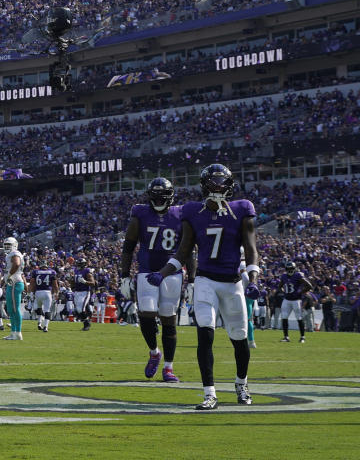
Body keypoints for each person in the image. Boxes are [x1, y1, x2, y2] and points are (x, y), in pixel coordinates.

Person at [150, 164, 259, 410]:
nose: (218, 186)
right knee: (205, 336)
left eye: (222, 182)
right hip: (205, 281)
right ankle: (209, 393)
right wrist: (163, 273)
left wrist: (253, 280)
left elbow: (251, 249)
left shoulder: (242, 209)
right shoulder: (192, 212)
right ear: (205, 185)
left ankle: (241, 384)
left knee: (240, 339)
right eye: (214, 182)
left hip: (232, 284)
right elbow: (183, 251)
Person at [120, 177, 184, 382]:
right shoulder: (140, 215)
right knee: (146, 313)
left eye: (161, 196)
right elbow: (128, 247)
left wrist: (192, 278)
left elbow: (188, 249)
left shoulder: (180, 215)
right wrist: (124, 276)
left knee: (168, 317)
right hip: (146, 270)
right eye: (154, 196)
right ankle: (155, 352)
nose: (158, 200)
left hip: (172, 272)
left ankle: (169, 367)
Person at [279, 260, 313, 343]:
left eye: (291, 268)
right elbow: (280, 286)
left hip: (296, 300)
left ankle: (302, 337)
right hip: (287, 300)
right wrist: (284, 291)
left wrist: (300, 292)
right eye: (288, 268)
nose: (290, 270)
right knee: (284, 317)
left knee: (299, 318)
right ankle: (286, 337)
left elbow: (309, 286)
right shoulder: (284, 276)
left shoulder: (298, 275)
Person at [27, 255, 58, 333]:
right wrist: (56, 293)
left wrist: (30, 293)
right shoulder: (52, 272)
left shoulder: (35, 272)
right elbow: (55, 284)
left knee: (39, 308)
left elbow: (32, 283)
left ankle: (39, 322)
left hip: (38, 292)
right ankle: (46, 326)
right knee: (47, 310)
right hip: (47, 292)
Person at [2, 237, 24, 340]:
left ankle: (18, 333)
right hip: (12, 282)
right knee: (11, 309)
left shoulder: (15, 253)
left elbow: (17, 264)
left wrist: (9, 275)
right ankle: (13, 332)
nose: (6, 247)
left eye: (8, 245)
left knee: (15, 308)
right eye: (5, 245)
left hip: (15, 282)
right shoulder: (10, 254)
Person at [72, 258, 97, 331]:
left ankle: (87, 324)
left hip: (84, 292)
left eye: (80, 264)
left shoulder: (87, 271)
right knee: (77, 310)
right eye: (78, 263)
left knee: (80, 309)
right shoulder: (76, 270)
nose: (78, 265)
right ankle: (86, 322)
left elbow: (93, 283)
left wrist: (85, 282)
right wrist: (71, 280)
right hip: (77, 292)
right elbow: (74, 282)